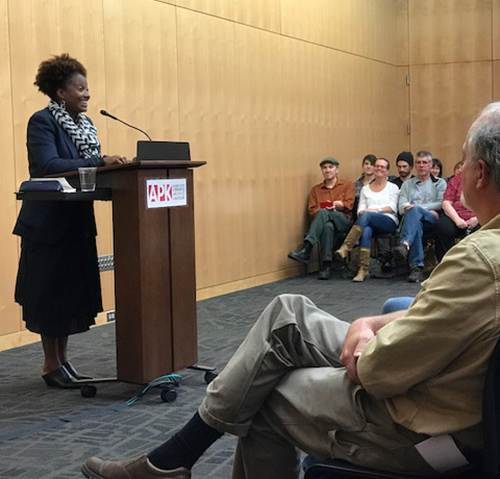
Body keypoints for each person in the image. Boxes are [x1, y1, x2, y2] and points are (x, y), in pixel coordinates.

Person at [82, 102, 500, 479]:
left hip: (427, 429)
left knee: (264, 394)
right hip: (443, 389)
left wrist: (368, 342)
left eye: (463, 161)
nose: (458, 171)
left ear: (480, 173)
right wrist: (371, 321)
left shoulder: (478, 260)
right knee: (289, 311)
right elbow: (435, 313)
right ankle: (172, 459)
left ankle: (174, 456)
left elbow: (378, 372)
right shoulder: (486, 254)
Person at [13, 54, 129, 389]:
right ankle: (51, 364)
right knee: (50, 295)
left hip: (76, 220)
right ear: (61, 93)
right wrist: (98, 161)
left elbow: (89, 166)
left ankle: (63, 361)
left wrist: (108, 166)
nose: (87, 93)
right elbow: (49, 165)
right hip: (48, 223)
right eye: (80, 88)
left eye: (87, 87)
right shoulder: (43, 121)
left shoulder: (86, 127)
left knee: (68, 295)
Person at [287, 157, 355, 280]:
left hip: (343, 221)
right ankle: (326, 265)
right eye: (324, 168)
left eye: (330, 167)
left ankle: (307, 248)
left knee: (325, 212)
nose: (327, 170)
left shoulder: (347, 185)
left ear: (337, 170)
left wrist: (338, 205)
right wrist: (323, 209)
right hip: (325, 223)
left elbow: (349, 205)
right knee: (327, 225)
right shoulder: (316, 190)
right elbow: (312, 212)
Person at [335, 158, 399, 282]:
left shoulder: (393, 187)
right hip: (368, 222)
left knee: (367, 216)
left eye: (383, 167)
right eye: (377, 166)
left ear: (387, 171)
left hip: (388, 221)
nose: (379, 168)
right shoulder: (365, 189)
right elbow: (360, 210)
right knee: (366, 230)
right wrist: (367, 213)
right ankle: (363, 269)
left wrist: (374, 211)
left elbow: (392, 208)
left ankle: (346, 247)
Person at [391, 151, 447, 283]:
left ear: (430, 165)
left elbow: (441, 203)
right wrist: (417, 209)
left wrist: (420, 208)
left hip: (432, 221)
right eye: (418, 163)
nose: (421, 165)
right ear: (415, 165)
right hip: (414, 222)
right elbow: (400, 208)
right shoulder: (407, 185)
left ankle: (405, 244)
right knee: (416, 225)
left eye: (425, 162)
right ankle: (416, 269)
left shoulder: (439, 183)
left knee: (415, 210)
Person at [433, 169, 479, 261]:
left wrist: (477, 219)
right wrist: (457, 220)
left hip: (479, 217)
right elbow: (446, 203)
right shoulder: (456, 180)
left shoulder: (490, 181)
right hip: (456, 216)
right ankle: (445, 263)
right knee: (441, 227)